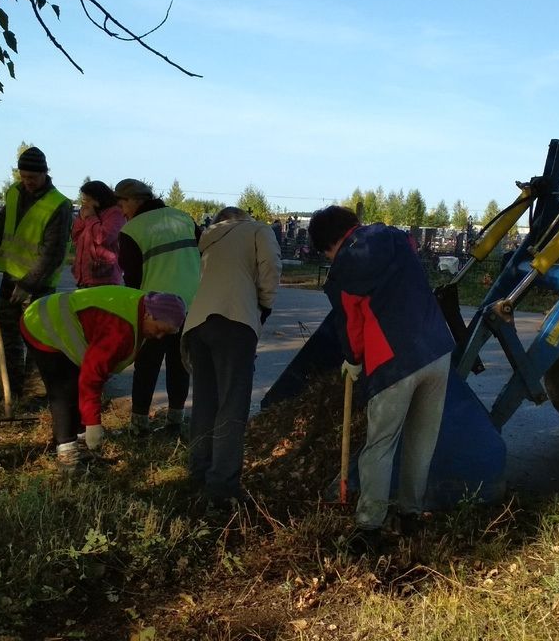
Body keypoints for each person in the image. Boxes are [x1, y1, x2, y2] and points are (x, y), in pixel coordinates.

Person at [308, 205, 454, 554]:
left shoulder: (343, 270)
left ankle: (368, 527)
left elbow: (352, 325)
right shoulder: (397, 238)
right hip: (438, 349)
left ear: (330, 244)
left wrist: (353, 361)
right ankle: (410, 516)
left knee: (380, 445)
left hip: (393, 362)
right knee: (422, 439)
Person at [181, 207, 281, 512]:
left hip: (198, 325)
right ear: (243, 218)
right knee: (232, 406)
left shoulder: (208, 239)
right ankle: (222, 487)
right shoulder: (257, 231)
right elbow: (271, 268)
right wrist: (264, 302)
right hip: (235, 321)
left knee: (205, 404)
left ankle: (199, 470)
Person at [21, 287, 186, 468]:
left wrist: (88, 425)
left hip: (59, 320)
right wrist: (93, 423)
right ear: (149, 315)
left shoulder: (143, 308)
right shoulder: (120, 331)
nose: (159, 336)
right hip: (43, 324)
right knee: (65, 390)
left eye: (167, 334)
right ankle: (68, 457)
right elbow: (92, 378)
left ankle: (82, 448)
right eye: (160, 329)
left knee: (76, 387)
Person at [0, 147, 73, 402]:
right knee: (6, 334)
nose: (27, 182)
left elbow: (53, 254)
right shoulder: (14, 192)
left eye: (32, 177)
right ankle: (12, 388)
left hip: (39, 285)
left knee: (37, 340)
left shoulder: (59, 205)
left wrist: (29, 284)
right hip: (10, 277)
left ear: (44, 174)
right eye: (23, 176)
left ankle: (34, 394)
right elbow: (4, 223)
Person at [114, 178, 201, 435]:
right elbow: (202, 250)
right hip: (190, 303)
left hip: (154, 308)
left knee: (147, 365)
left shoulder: (132, 230)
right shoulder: (183, 218)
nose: (122, 211)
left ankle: (139, 424)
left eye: (122, 204)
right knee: (180, 363)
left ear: (134, 201)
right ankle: (176, 421)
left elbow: (131, 278)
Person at [71, 180, 126, 288]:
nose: (84, 204)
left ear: (98, 199)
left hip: (105, 278)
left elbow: (103, 238)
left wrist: (91, 218)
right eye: (83, 200)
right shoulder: (86, 213)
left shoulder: (115, 213)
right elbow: (77, 238)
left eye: (87, 200)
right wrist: (82, 219)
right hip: (84, 277)